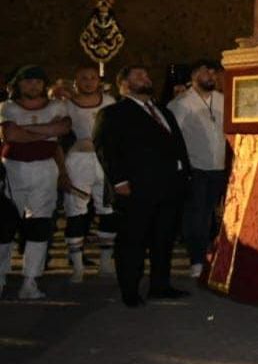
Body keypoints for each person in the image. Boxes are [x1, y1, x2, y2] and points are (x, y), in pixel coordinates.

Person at [96, 64, 193, 306]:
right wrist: (119, 181)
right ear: (124, 84)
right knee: (133, 240)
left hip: (169, 186)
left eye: (147, 74)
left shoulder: (162, 110)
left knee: (163, 238)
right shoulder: (114, 113)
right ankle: (130, 290)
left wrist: (185, 174)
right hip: (137, 187)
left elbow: (175, 143)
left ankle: (160, 286)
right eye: (139, 76)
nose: (146, 78)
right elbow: (106, 149)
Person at [1, 65, 72, 299]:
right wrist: (47, 131)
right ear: (18, 85)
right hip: (13, 168)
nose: (33, 86)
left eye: (38, 81)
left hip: (45, 169)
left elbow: (63, 128)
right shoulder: (7, 107)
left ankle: (30, 280)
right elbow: (10, 135)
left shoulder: (57, 106)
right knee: (5, 225)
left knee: (40, 225)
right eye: (28, 81)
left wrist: (27, 131)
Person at [167, 59, 228, 278]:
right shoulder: (181, 104)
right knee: (196, 215)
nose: (211, 76)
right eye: (205, 72)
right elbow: (171, 137)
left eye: (213, 73)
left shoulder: (223, 100)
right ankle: (197, 259)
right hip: (195, 168)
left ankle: (209, 255)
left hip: (218, 166)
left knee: (212, 214)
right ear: (194, 77)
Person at [63, 65, 118, 281]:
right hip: (78, 162)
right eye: (83, 78)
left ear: (99, 80)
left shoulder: (110, 102)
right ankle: (77, 267)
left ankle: (105, 263)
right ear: (76, 81)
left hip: (103, 161)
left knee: (108, 210)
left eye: (92, 78)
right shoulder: (65, 105)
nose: (88, 82)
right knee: (76, 212)